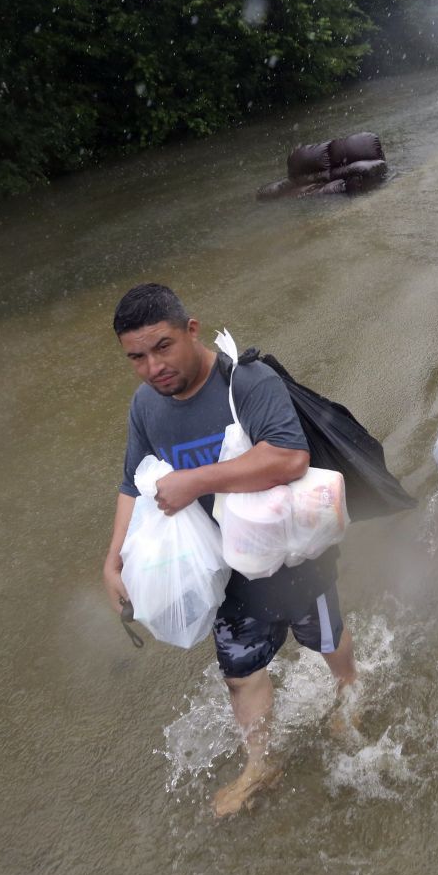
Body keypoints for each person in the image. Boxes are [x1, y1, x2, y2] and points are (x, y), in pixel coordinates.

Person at [101, 283, 356, 817]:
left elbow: (288, 457)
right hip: (226, 568)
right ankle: (260, 761)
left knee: (324, 636)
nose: (153, 367)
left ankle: (350, 691)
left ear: (191, 329)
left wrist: (194, 481)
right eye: (137, 357)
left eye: (163, 347)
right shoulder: (146, 406)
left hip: (289, 551)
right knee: (239, 670)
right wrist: (113, 558)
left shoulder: (247, 381)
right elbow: (134, 483)